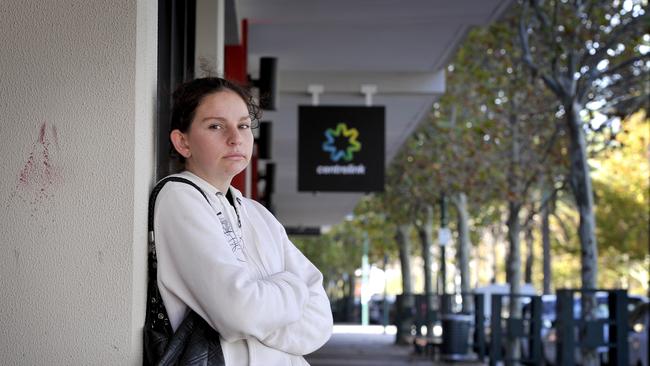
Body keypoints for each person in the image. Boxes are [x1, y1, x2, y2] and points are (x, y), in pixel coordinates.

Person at [153, 77, 333, 365]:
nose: (235, 138)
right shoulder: (179, 197)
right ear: (183, 142)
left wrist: (260, 314)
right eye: (216, 126)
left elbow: (321, 320)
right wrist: (294, 287)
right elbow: (240, 312)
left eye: (244, 125)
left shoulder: (258, 214)